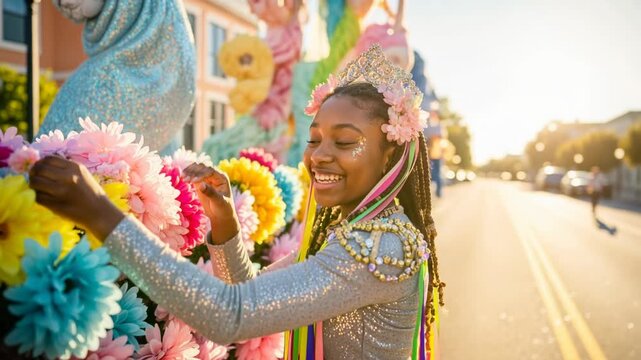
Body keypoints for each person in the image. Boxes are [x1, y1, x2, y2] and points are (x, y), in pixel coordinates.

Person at [28, 45, 444, 359]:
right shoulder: (357, 233)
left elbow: (231, 317)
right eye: (314, 139)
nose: (318, 156)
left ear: (392, 154)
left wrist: (100, 212)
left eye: (346, 141)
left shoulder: (379, 247)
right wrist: (224, 220)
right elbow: (250, 302)